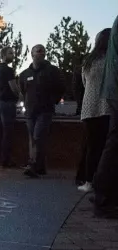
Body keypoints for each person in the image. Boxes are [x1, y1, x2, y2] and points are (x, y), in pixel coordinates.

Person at [18, 45, 65, 178]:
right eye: (38, 51)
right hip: (30, 111)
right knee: (34, 138)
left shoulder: (53, 71)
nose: (42, 53)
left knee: (38, 136)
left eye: (43, 51)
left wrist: (53, 100)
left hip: (45, 110)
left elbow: (61, 87)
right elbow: (22, 90)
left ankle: (33, 165)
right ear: (32, 54)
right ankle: (40, 167)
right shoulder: (24, 74)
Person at [75, 29, 112, 193]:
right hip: (107, 107)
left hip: (89, 108)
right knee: (107, 147)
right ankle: (104, 182)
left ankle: (88, 181)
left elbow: (84, 83)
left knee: (91, 147)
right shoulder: (111, 61)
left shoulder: (88, 62)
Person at [92, 16, 118, 218]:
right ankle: (103, 197)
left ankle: (103, 195)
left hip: (111, 92)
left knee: (113, 142)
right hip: (113, 92)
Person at [0, 47, 20, 167]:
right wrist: (21, 95)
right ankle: (5, 161)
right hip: (6, 103)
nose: (13, 55)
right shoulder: (8, 70)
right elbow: (13, 87)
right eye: (10, 53)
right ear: (3, 55)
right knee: (7, 132)